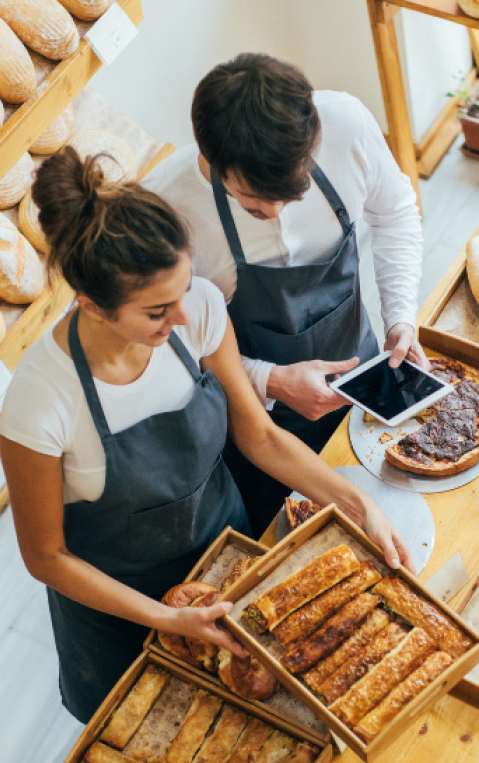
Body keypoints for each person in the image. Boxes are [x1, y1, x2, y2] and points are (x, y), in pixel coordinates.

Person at [0, 148, 409, 722]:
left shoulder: (201, 311)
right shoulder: (40, 402)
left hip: (227, 564)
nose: (184, 318)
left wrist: (357, 504)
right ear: (91, 305)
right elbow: (46, 557)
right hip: (122, 617)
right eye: (157, 311)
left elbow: (259, 437)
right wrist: (165, 618)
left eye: (185, 290)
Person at [143, 53, 428, 530]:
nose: (274, 211)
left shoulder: (346, 125)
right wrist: (269, 380)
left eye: (289, 194)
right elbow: (168, 350)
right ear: (211, 159)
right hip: (256, 424)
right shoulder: (165, 211)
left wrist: (400, 315)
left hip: (363, 381)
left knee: (391, 510)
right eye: (253, 199)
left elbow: (395, 212)